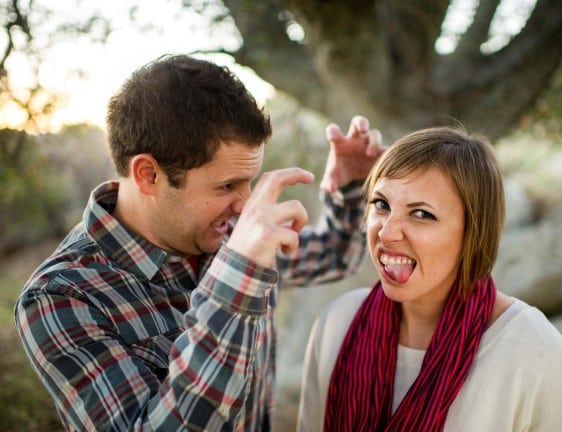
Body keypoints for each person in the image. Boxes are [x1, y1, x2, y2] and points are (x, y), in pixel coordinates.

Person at [14, 54, 384, 431]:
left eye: (249, 182)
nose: (245, 205)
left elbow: (335, 256)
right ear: (148, 175)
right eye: (227, 186)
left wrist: (352, 188)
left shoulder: (230, 232)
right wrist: (237, 280)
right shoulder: (59, 298)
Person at [297, 126, 562, 431]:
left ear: (473, 233)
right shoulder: (337, 323)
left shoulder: (534, 354)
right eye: (381, 204)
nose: (387, 232)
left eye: (422, 214)